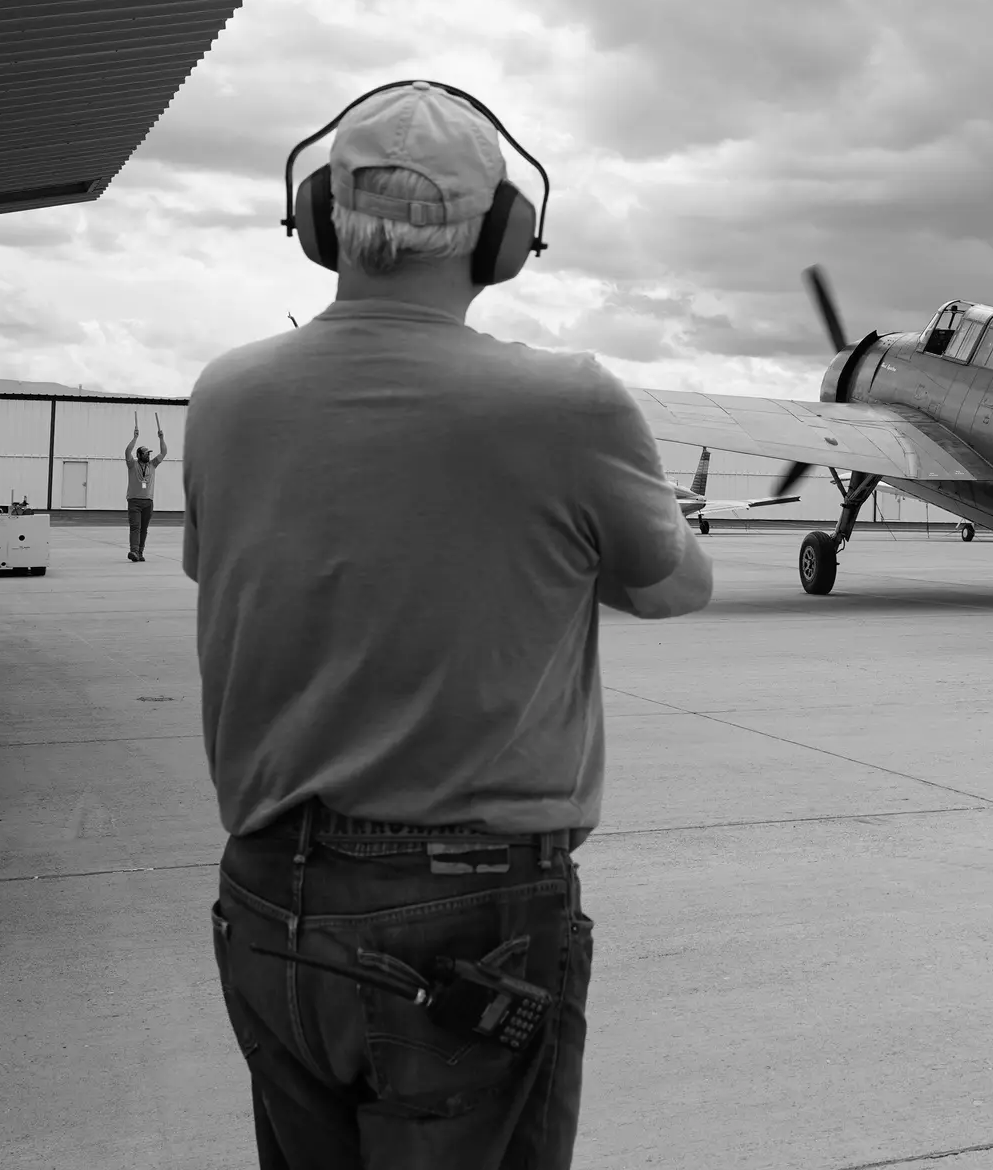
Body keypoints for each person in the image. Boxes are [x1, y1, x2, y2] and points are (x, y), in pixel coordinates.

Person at [184, 81, 711, 1169]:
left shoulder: (225, 395)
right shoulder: (567, 405)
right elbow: (671, 588)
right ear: (505, 237)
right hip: (470, 923)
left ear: (324, 218)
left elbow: (234, 568)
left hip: (268, 899)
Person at [124, 415, 165, 561]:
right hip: (134, 501)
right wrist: (134, 438)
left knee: (144, 529)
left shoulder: (152, 464)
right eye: (146, 453)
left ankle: (140, 552)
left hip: (148, 501)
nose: (148, 455)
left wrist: (161, 438)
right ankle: (134, 551)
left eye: (149, 453)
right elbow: (127, 452)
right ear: (140, 455)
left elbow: (164, 452)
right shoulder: (132, 464)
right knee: (135, 527)